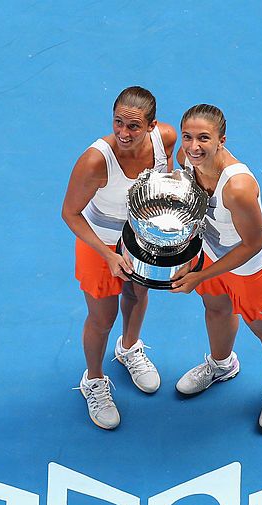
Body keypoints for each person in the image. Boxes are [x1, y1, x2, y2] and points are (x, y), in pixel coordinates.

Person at [170, 104, 262, 430]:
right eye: (187, 137)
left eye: (203, 138)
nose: (193, 146)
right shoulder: (187, 162)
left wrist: (199, 274)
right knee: (215, 310)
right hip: (211, 254)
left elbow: (250, 244)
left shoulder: (237, 188)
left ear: (221, 140)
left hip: (251, 268)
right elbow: (191, 212)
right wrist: (186, 256)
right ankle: (221, 365)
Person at [61, 86, 177, 430]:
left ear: (152, 126)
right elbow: (70, 214)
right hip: (100, 243)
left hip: (140, 240)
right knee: (102, 316)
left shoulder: (166, 139)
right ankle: (94, 380)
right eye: (117, 124)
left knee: (138, 293)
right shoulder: (95, 160)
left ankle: (129, 348)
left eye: (134, 127)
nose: (123, 134)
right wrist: (108, 256)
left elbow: (165, 179)